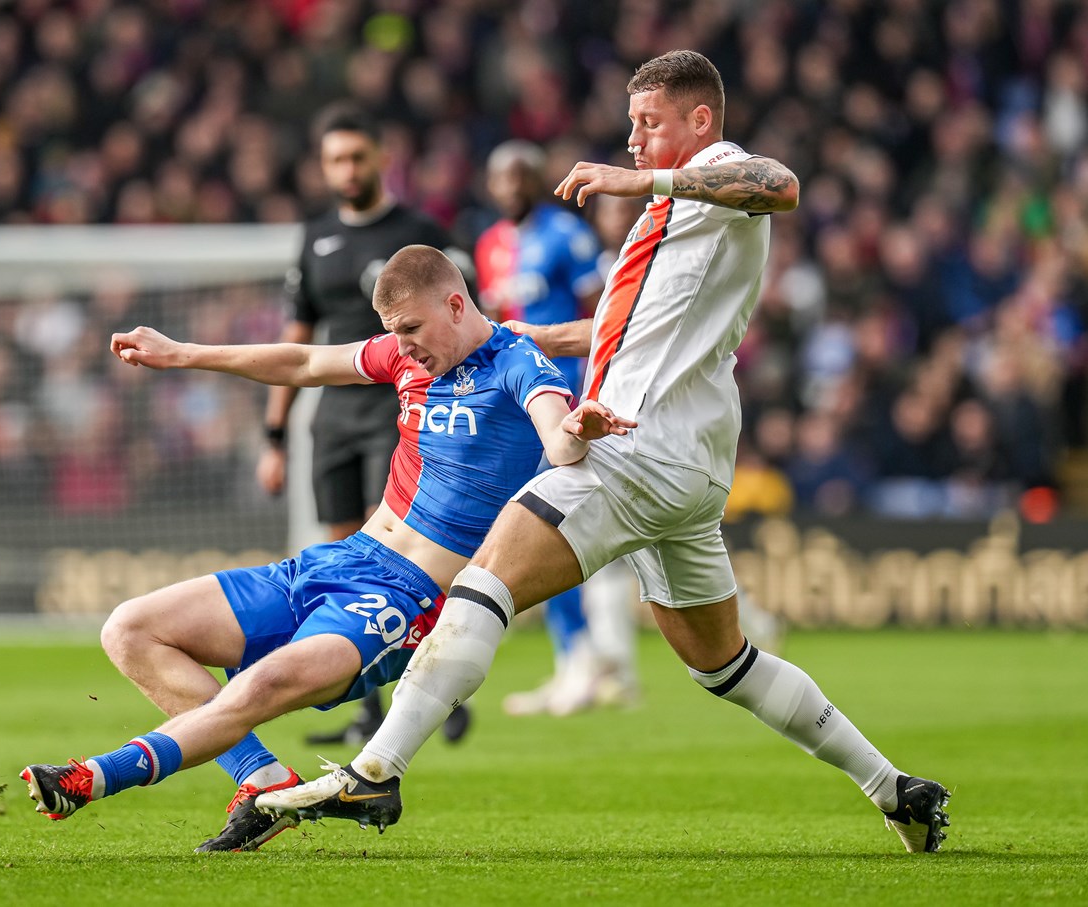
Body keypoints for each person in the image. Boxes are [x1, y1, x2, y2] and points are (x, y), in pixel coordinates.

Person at [258, 50, 952, 854]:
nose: (632, 141)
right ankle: (894, 787)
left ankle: (376, 768)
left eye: (648, 124)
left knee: (484, 581)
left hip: (635, 446)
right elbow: (630, 326)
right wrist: (526, 335)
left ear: (698, 121)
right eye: (629, 126)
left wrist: (643, 182)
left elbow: (782, 186)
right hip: (685, 464)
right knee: (722, 662)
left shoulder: (718, 174)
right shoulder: (671, 219)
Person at [20, 245, 635, 853]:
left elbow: (557, 438)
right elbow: (305, 362)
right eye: (394, 333)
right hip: (342, 559)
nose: (405, 344)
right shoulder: (405, 357)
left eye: (413, 328)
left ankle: (91, 778)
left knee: (258, 689)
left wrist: (578, 430)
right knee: (130, 629)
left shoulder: (517, 361)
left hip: (407, 598)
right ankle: (263, 782)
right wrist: (183, 354)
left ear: (455, 305)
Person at [261, 102, 476, 747]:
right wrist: (275, 436)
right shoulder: (315, 233)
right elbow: (297, 338)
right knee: (345, 557)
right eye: (335, 159)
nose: (346, 169)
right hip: (333, 418)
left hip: (401, 410)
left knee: (403, 562)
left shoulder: (417, 233)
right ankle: (370, 708)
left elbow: (460, 322)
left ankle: (435, 683)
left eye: (357, 156)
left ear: (383, 157)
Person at [475, 139, 629, 716]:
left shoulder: (568, 235)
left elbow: (602, 319)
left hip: (566, 401)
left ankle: (589, 662)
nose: (511, 186)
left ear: (536, 180)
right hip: (514, 404)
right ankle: (579, 663)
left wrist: (596, 390)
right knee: (542, 527)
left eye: (521, 176)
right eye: (502, 178)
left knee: (555, 528)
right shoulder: (490, 244)